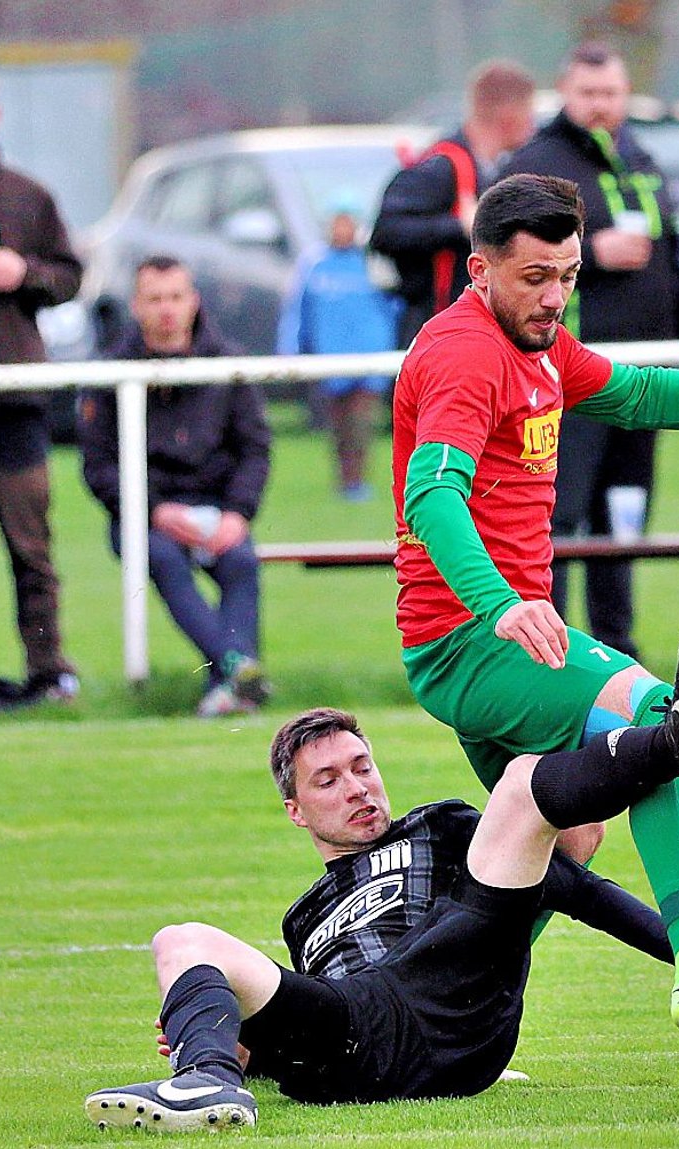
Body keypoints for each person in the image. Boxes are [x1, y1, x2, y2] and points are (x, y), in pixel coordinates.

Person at [392, 172, 679, 1024]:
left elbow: (641, 393)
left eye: (568, 275)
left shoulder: (544, 347)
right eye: (535, 277)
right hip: (472, 637)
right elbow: (433, 495)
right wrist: (501, 602)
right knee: (654, 717)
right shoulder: (463, 354)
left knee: (555, 838)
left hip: (494, 637)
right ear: (479, 269)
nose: (555, 297)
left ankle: (429, 1011)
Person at [84, 696, 679, 1130]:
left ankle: (673, 737)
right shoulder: (304, 918)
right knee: (182, 942)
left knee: (522, 786)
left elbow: (581, 892)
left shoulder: (439, 827)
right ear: (296, 810)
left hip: (455, 988)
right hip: (357, 1039)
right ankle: (207, 1080)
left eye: (362, 766)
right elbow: (293, 1034)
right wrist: (238, 1039)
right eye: (328, 780)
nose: (356, 787)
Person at [502, 41, 679, 659]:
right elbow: (511, 263)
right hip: (567, 374)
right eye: (589, 94)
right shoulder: (536, 164)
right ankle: (551, 644)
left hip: (639, 373)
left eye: (611, 94)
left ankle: (618, 643)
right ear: (564, 92)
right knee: (558, 515)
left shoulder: (641, 157)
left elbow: (673, 260)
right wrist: (591, 252)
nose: (601, 106)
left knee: (625, 514)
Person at [79, 256, 272, 716]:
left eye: (176, 296)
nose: (167, 309)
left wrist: (237, 514)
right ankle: (237, 665)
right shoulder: (109, 370)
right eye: (155, 298)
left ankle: (229, 687)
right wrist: (152, 511)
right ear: (136, 306)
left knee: (241, 561)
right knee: (162, 556)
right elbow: (98, 464)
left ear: (194, 301)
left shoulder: (229, 364)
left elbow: (255, 449)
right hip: (144, 513)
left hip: (217, 506)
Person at [0, 69, 82, 705]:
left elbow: (71, 275)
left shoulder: (27, 197)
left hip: (12, 402)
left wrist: (25, 272)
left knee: (31, 550)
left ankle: (48, 674)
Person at [370, 59, 536, 348]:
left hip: (473, 334)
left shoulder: (494, 168)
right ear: (509, 117)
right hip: (434, 334)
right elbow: (385, 232)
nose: (534, 125)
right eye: (529, 113)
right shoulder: (441, 167)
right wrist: (459, 226)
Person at [280, 196, 400, 501]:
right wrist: (290, 348)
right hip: (330, 357)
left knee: (361, 422)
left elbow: (395, 304)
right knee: (338, 424)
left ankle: (357, 480)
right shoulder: (314, 264)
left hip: (371, 358)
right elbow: (298, 309)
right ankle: (344, 480)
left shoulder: (372, 261)